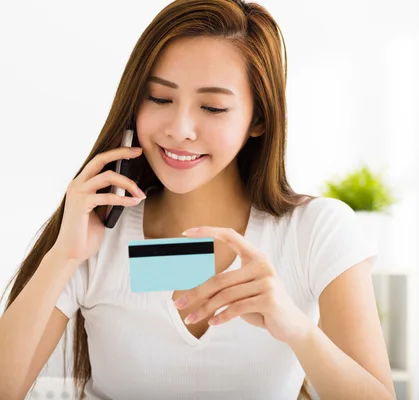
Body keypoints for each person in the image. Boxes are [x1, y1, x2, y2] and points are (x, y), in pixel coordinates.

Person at [0, 0, 395, 399]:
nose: (180, 129)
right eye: (158, 98)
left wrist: (296, 328)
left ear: (259, 118)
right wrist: (63, 257)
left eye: (212, 107)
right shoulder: (96, 234)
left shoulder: (316, 230)